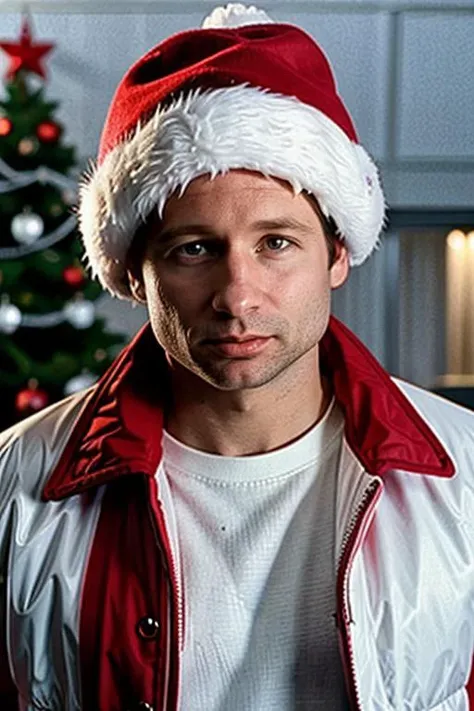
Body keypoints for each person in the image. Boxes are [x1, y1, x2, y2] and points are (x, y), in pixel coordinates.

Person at [1, 3, 473, 710]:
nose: (237, 294)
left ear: (338, 253)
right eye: (194, 249)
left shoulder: (463, 471)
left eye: (276, 242)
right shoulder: (16, 482)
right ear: (134, 273)